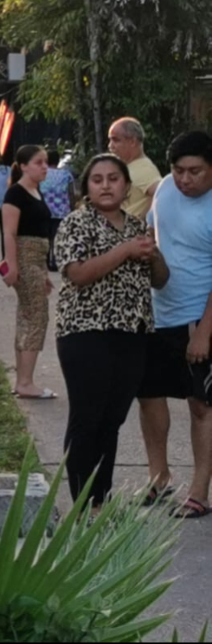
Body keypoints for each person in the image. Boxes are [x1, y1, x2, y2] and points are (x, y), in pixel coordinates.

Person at [56, 155, 168, 510]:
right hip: (85, 331)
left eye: (114, 179)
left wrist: (152, 256)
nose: (106, 185)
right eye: (97, 180)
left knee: (112, 420)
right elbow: (78, 274)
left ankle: (100, 503)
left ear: (126, 186)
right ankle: (81, 506)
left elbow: (161, 280)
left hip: (131, 332)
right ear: (87, 187)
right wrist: (125, 251)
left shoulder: (138, 226)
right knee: (87, 417)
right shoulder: (77, 223)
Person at [136, 131, 212, 519]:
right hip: (156, 312)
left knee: (200, 404)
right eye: (179, 170)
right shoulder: (164, 189)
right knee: (149, 396)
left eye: (195, 171)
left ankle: (199, 491)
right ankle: (158, 478)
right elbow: (152, 235)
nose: (185, 179)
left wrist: (204, 331)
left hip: (199, 316)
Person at [2, 145, 57, 400]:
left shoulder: (37, 191)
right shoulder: (16, 194)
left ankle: (23, 379)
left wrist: (44, 272)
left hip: (37, 259)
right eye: (38, 162)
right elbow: (10, 233)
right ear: (23, 165)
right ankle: (25, 382)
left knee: (28, 315)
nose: (44, 166)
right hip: (24, 257)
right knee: (36, 317)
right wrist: (12, 265)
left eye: (46, 162)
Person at [108, 117, 163, 219]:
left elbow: (162, 195)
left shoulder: (144, 169)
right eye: (110, 140)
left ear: (132, 142)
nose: (110, 146)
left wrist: (141, 223)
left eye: (116, 140)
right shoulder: (131, 167)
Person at [42, 149, 76, 271]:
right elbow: (71, 193)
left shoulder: (42, 173)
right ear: (58, 161)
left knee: (45, 238)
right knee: (57, 238)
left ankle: (45, 261)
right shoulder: (66, 175)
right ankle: (55, 262)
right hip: (61, 212)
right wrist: (72, 207)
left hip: (44, 211)